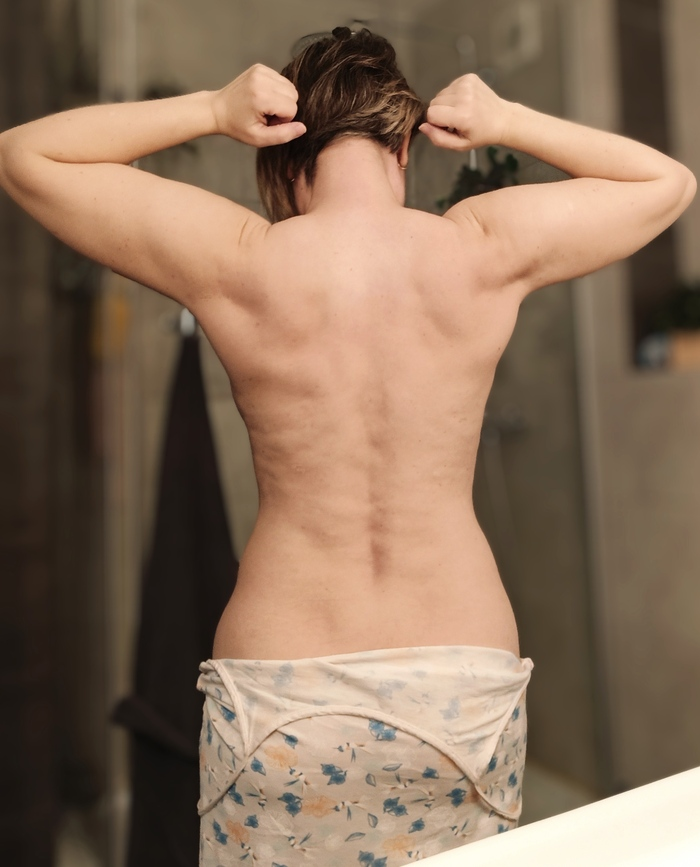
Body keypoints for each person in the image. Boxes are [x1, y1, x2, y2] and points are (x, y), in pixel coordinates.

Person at [0, 24, 695, 867]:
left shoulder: (240, 258)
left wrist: (212, 108)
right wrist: (509, 120)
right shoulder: (481, 246)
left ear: (284, 159)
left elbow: (25, 156)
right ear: (403, 146)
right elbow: (667, 182)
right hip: (460, 690)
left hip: (281, 691)